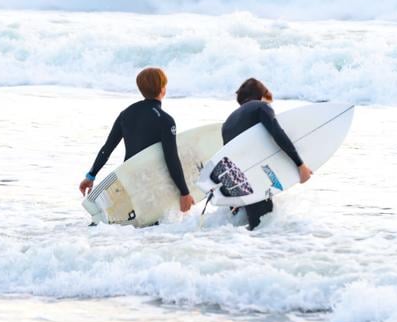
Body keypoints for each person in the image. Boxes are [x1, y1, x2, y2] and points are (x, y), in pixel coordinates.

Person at [80, 67, 195, 216]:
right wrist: (184, 192)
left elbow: (107, 148)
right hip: (154, 185)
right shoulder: (165, 120)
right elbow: (171, 158)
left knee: (135, 234)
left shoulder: (126, 114)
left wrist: (90, 176)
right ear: (162, 89)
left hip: (130, 182)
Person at [220, 78, 313, 230]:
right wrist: (300, 164)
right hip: (254, 178)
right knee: (264, 229)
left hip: (236, 182)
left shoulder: (227, 123)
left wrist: (232, 199)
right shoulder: (261, 107)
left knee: (248, 231)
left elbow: (227, 160)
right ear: (262, 95)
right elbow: (277, 134)